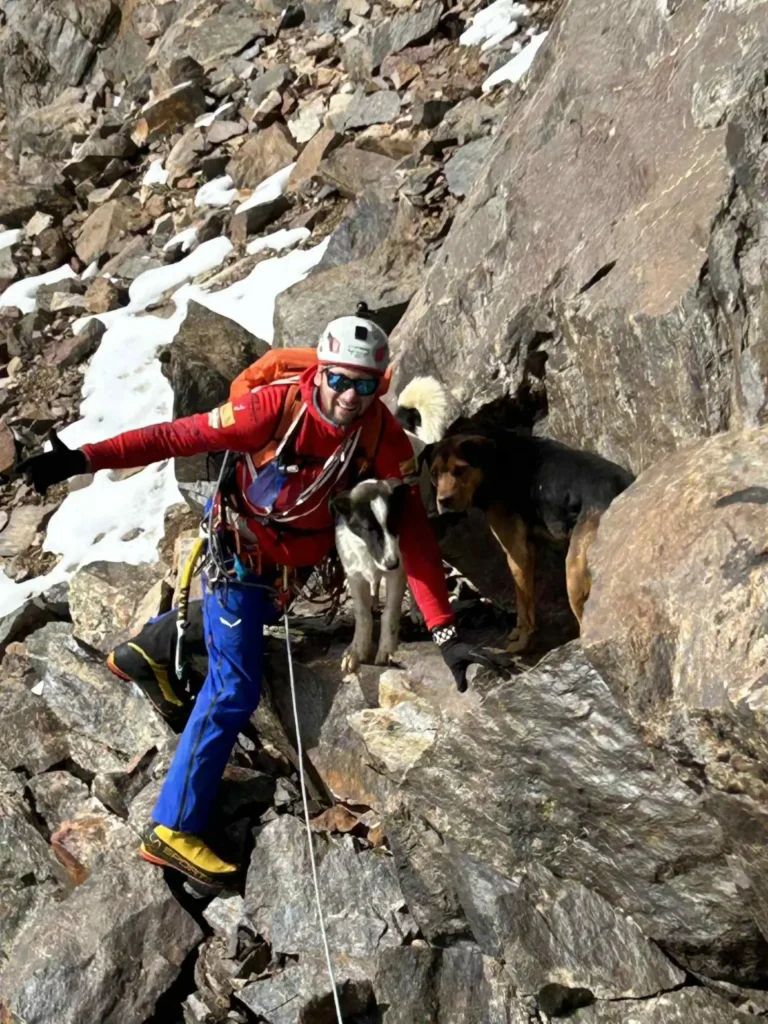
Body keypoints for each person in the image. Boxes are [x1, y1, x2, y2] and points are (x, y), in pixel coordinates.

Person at [19, 310, 508, 890]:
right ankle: (172, 827)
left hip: (288, 571)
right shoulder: (272, 410)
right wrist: (83, 458)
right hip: (240, 553)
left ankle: (153, 647)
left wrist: (445, 629)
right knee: (235, 685)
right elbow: (177, 436)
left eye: (366, 384)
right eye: (340, 380)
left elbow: (415, 535)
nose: (350, 395)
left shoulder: (379, 433)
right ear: (321, 372)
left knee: (261, 620)